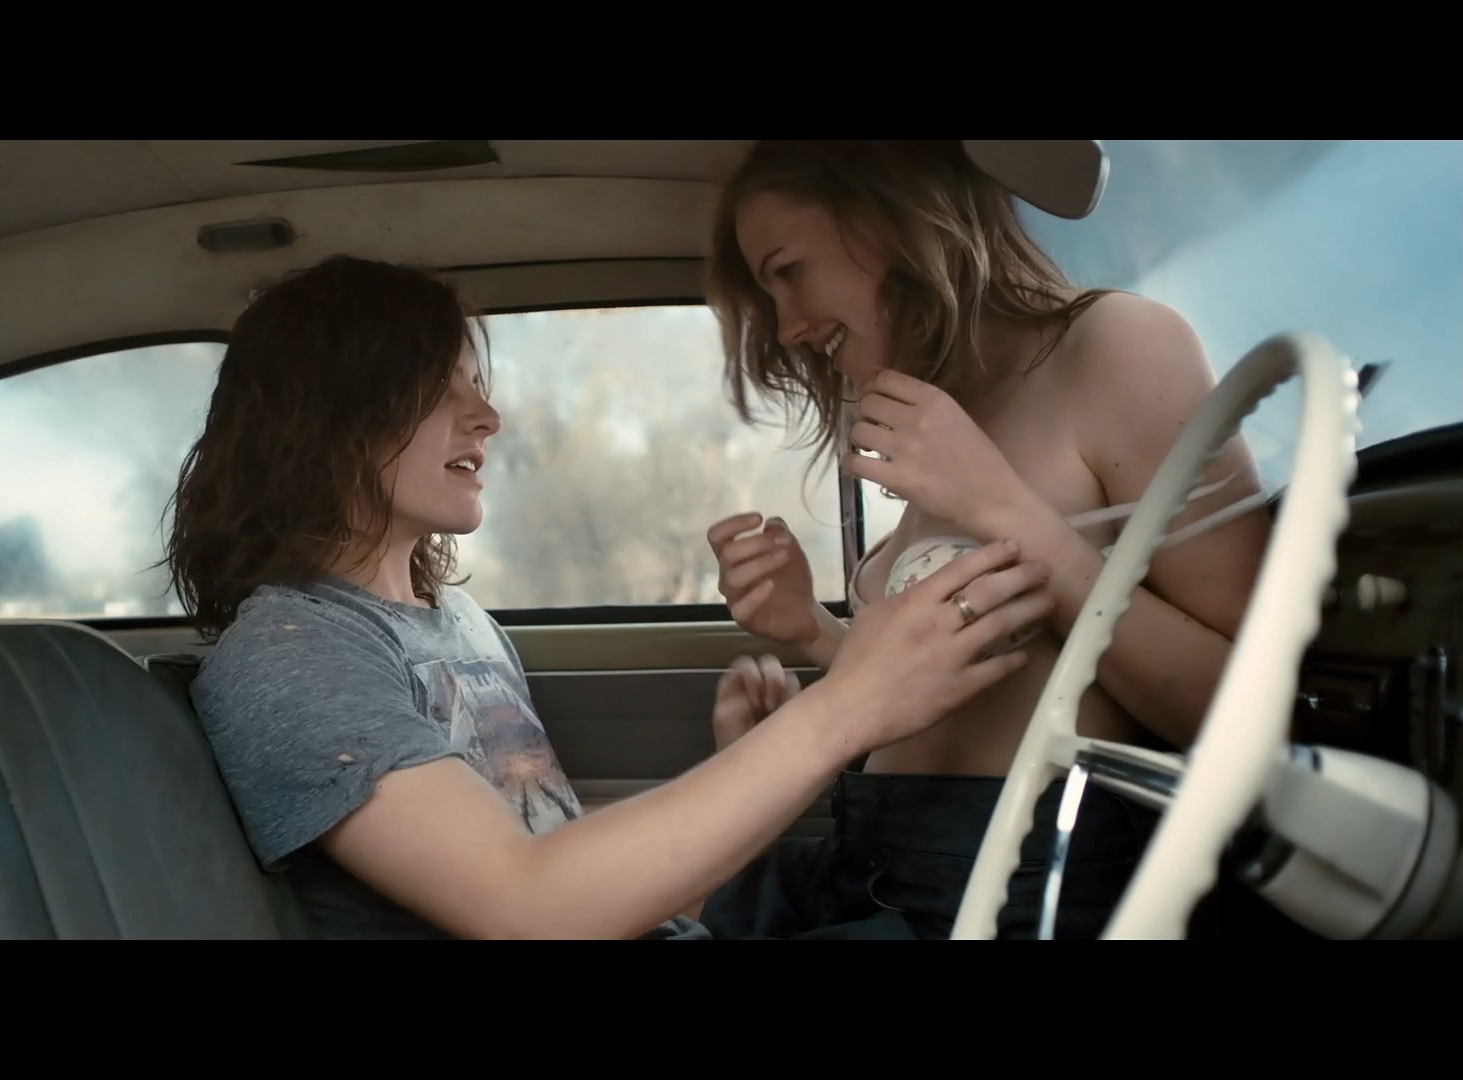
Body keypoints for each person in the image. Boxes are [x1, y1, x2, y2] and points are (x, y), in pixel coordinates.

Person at [167, 254, 1054, 940]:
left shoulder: (461, 626)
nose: (487, 418)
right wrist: (846, 709)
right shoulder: (289, 654)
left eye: (478, 385)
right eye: (441, 386)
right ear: (334, 410)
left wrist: (755, 762)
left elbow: (591, 887)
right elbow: (528, 909)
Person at [696, 139, 1281, 939]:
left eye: (788, 272)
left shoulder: (1117, 344)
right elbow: (984, 682)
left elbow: (1255, 713)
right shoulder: (944, 407)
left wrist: (1005, 510)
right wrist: (813, 631)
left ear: (891, 216)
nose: (789, 328)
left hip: (1007, 887)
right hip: (867, 863)